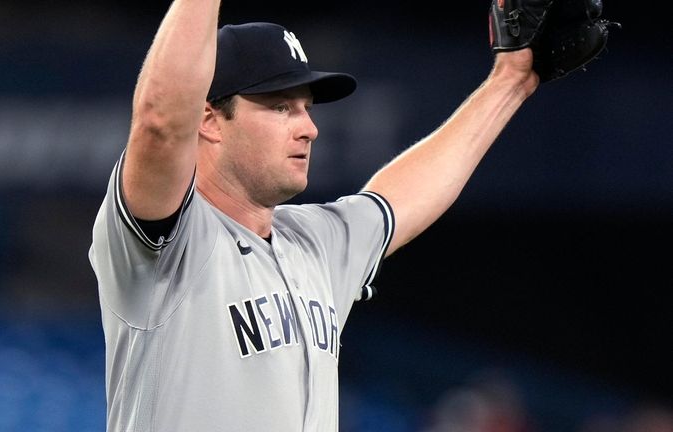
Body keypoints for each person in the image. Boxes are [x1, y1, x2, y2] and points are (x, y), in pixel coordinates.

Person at [88, 0, 539, 430]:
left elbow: (400, 198)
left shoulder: (313, 243)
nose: (309, 127)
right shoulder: (166, 244)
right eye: (280, 106)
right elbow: (160, 123)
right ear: (207, 120)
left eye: (306, 107)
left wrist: (510, 82)